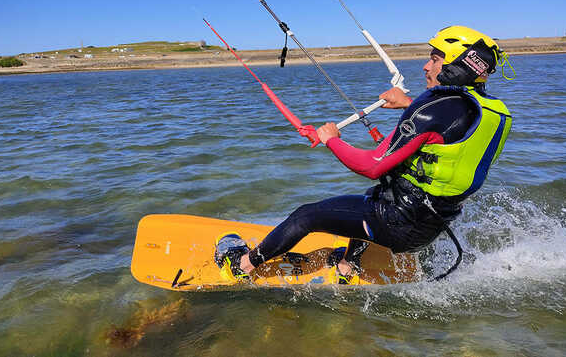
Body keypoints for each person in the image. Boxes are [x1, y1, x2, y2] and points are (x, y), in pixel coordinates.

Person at [214, 25, 512, 283]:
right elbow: (448, 135)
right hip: (433, 225)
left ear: (459, 64)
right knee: (375, 196)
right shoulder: (491, 112)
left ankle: (242, 265)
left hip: (398, 224)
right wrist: (407, 103)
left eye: (435, 59)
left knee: (306, 215)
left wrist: (331, 139)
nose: (425, 66)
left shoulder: (435, 106)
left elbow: (373, 166)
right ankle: (347, 263)